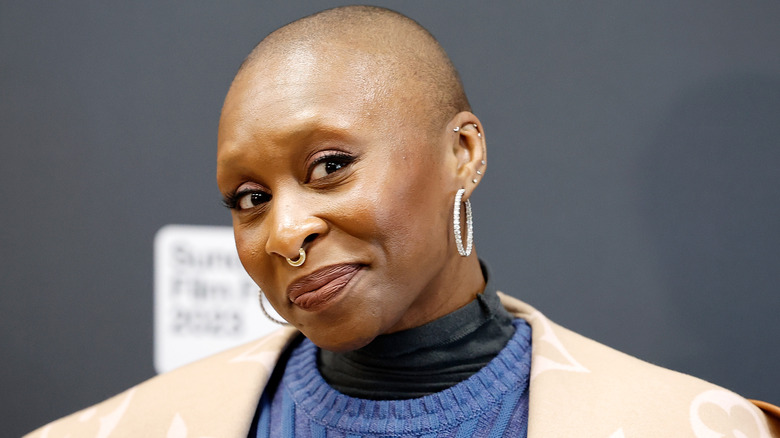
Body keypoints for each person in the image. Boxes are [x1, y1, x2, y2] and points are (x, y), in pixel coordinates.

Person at [25, 5, 779, 438]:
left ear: (463, 151)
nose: (285, 233)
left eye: (329, 167)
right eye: (249, 199)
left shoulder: (696, 427)